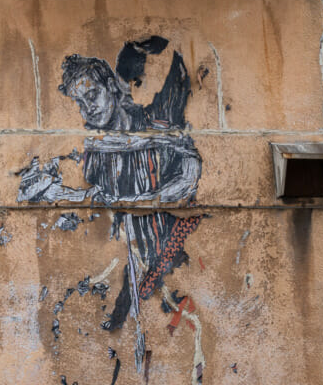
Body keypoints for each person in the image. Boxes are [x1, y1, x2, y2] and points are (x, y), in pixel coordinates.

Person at [17, 37, 202, 333]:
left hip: (175, 249)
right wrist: (56, 192)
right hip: (134, 260)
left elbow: (190, 170)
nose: (87, 109)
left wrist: (148, 199)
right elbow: (96, 197)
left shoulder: (156, 124)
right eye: (80, 103)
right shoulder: (95, 153)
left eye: (92, 96)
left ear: (112, 87)